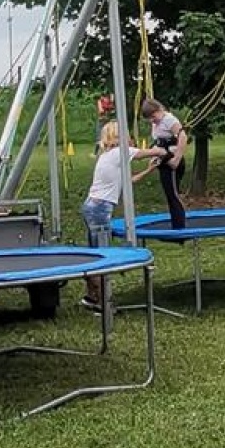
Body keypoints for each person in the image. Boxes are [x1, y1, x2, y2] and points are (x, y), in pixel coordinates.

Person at [80, 119, 160, 310]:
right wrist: (165, 149)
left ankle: (92, 297)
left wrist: (149, 170)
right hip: (100, 209)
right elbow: (147, 153)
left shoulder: (108, 156)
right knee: (103, 255)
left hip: (92, 206)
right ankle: (103, 303)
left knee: (95, 252)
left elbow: (128, 180)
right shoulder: (119, 153)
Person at [139, 98, 188, 230]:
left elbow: (183, 137)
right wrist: (154, 157)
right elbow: (158, 142)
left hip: (171, 159)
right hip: (163, 159)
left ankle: (179, 228)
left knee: (173, 194)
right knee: (169, 194)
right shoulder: (156, 123)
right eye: (149, 119)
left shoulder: (169, 120)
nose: (152, 120)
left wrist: (176, 159)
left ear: (159, 110)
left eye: (153, 117)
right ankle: (176, 226)